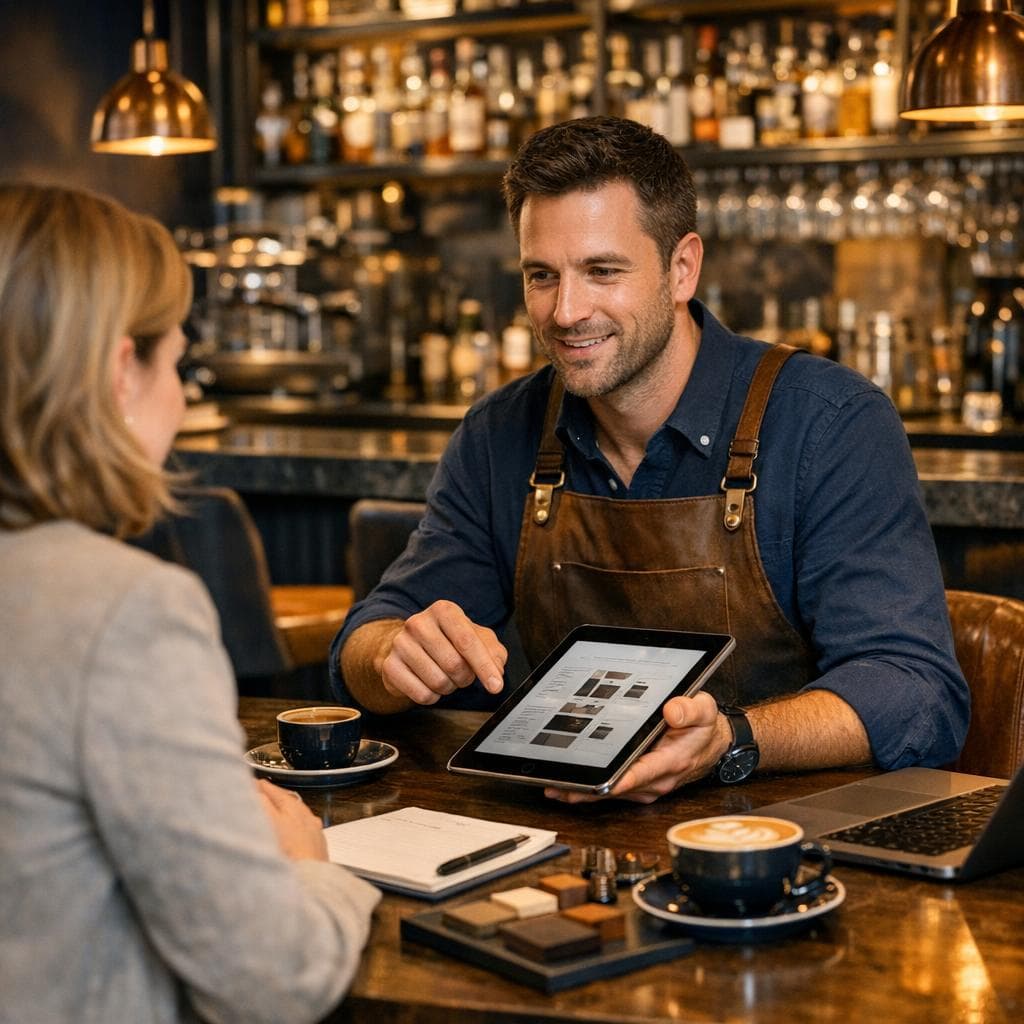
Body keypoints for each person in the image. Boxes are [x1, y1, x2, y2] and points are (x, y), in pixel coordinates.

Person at [332, 117, 968, 804]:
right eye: (541, 276)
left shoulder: (828, 424)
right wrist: (394, 655)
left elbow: (914, 692)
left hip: (778, 850)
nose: (567, 310)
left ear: (681, 269)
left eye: (602, 272)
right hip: (563, 839)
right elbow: (358, 653)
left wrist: (730, 739)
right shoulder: (501, 434)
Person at [0, 183, 379, 1023]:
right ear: (115, 373)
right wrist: (313, 865)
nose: (180, 396)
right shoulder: (123, 613)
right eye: (176, 363)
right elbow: (275, 978)